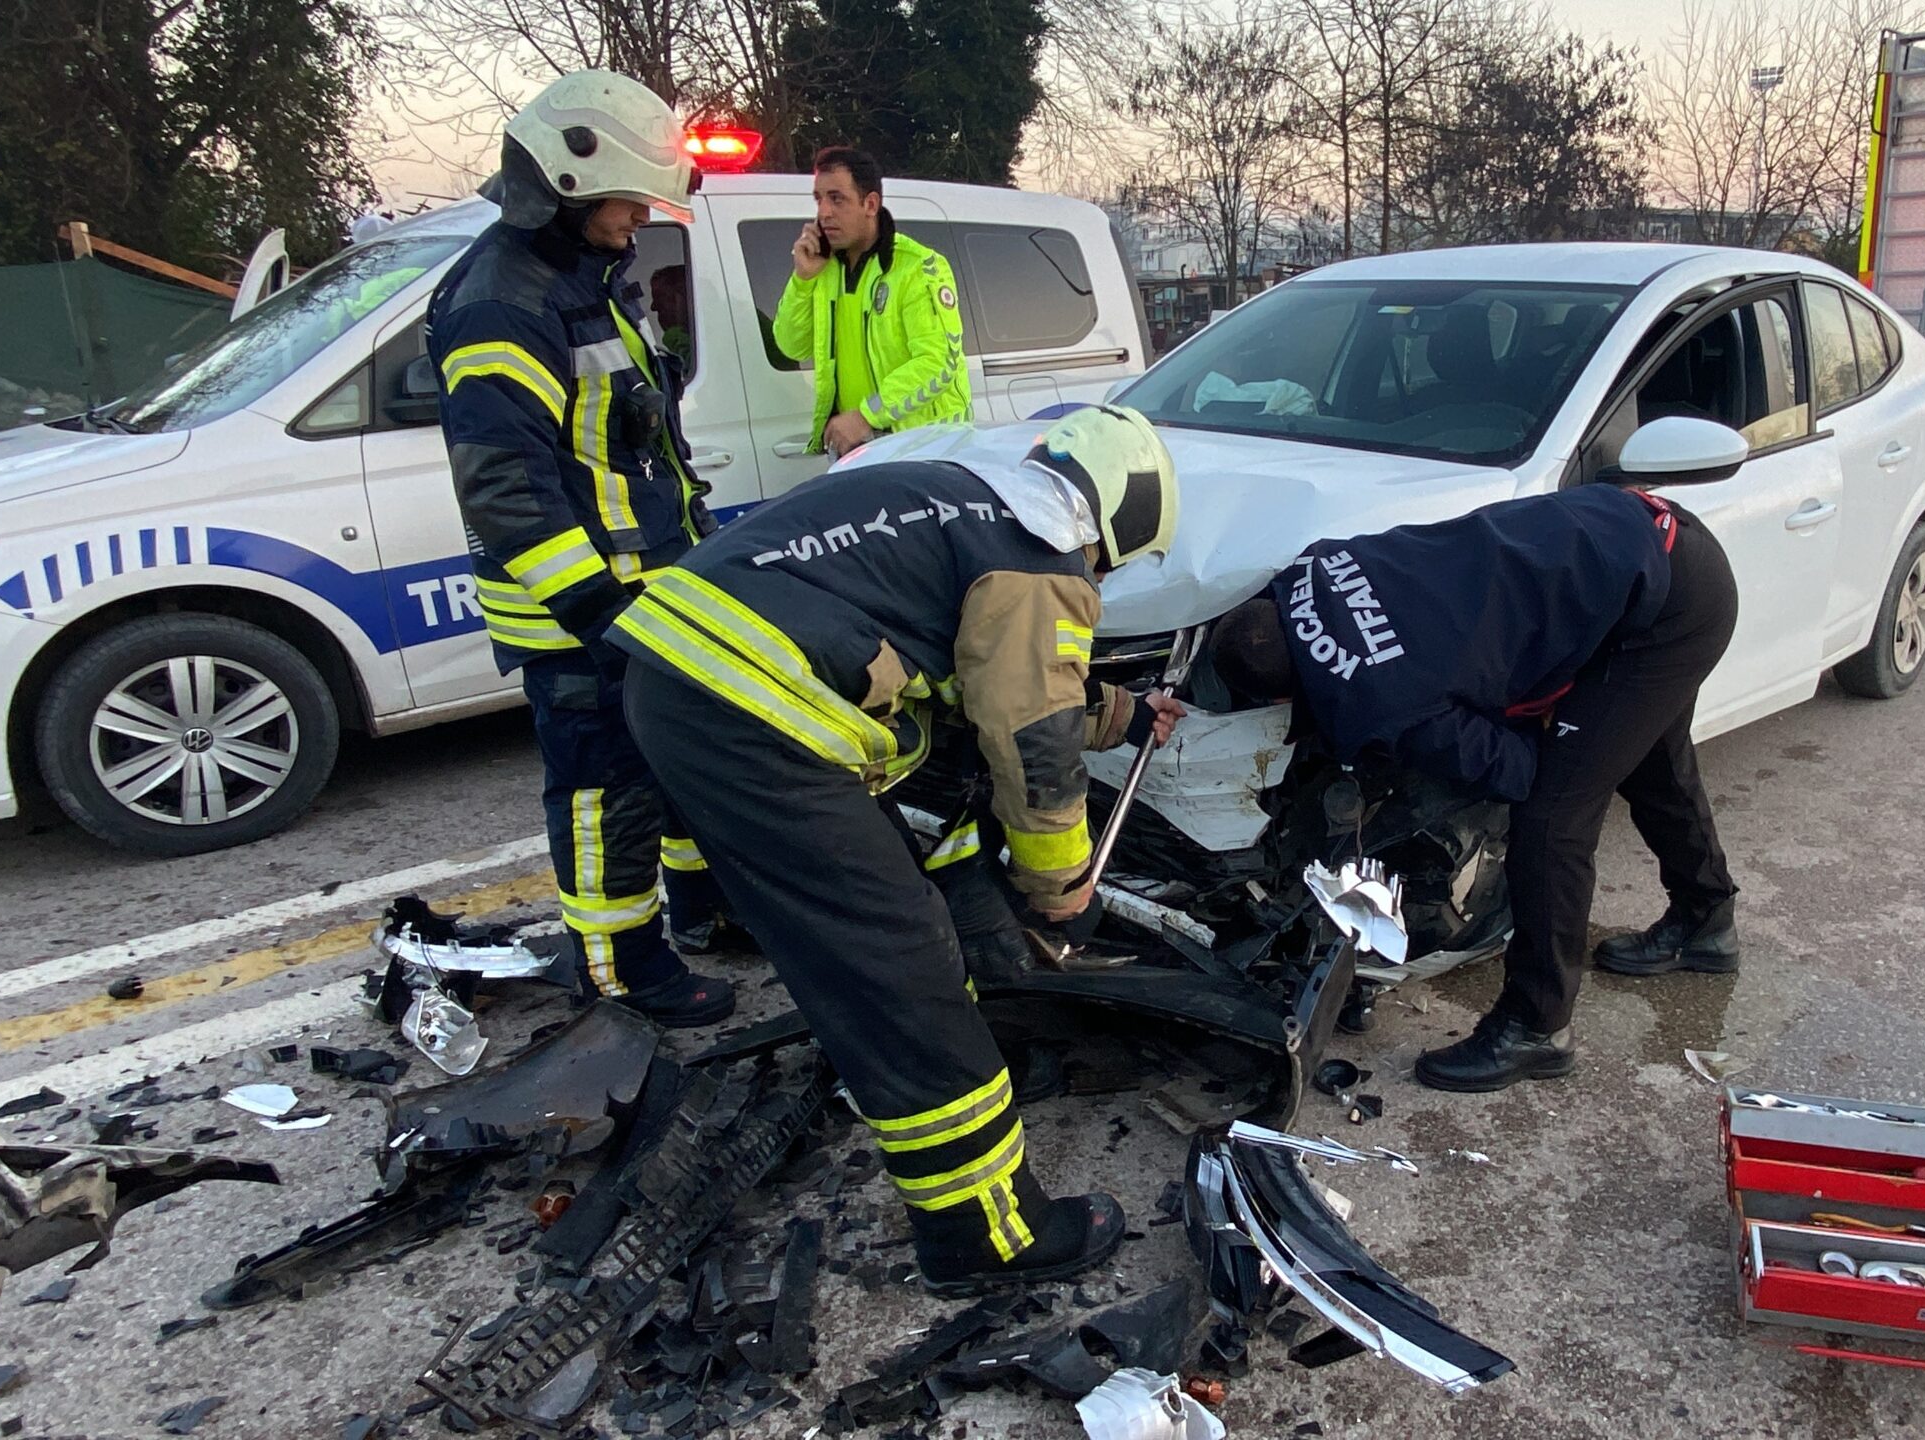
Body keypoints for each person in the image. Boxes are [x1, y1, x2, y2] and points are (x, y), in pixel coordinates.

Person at [612, 406, 1187, 1292]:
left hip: (678, 679)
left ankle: (892, 1079)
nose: (1099, 575)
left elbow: (986, 673)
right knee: (901, 968)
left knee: (868, 943)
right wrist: (1062, 890)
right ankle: (987, 1237)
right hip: (759, 723)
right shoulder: (1040, 559)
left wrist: (1120, 712)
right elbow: (1031, 741)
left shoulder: (951, 497)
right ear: (1118, 520)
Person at [1208, 484, 1741, 1093]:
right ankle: (1707, 919)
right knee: (1649, 757)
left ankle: (1537, 1027)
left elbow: (1516, 769)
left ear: (1284, 694)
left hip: (1667, 607)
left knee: (1551, 818)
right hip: (1634, 532)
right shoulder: (1313, 566)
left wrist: (1561, 747)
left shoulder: (1386, 701)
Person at [425, 70, 744, 1029]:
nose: (641, 214)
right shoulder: (501, 303)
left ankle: (701, 908)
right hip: (584, 615)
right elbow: (505, 487)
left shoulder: (585, 280)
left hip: (647, 587)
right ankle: (622, 966)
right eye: (629, 195)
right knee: (607, 787)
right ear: (569, 178)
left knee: (678, 758)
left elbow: (634, 443)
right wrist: (596, 609)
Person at [775, 146, 970, 456]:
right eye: (819, 199)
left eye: (836, 199)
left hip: (927, 449)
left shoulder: (917, 267)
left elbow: (938, 363)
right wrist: (802, 280)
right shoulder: (826, 270)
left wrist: (866, 415)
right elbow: (791, 345)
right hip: (858, 448)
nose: (824, 212)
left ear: (870, 203)